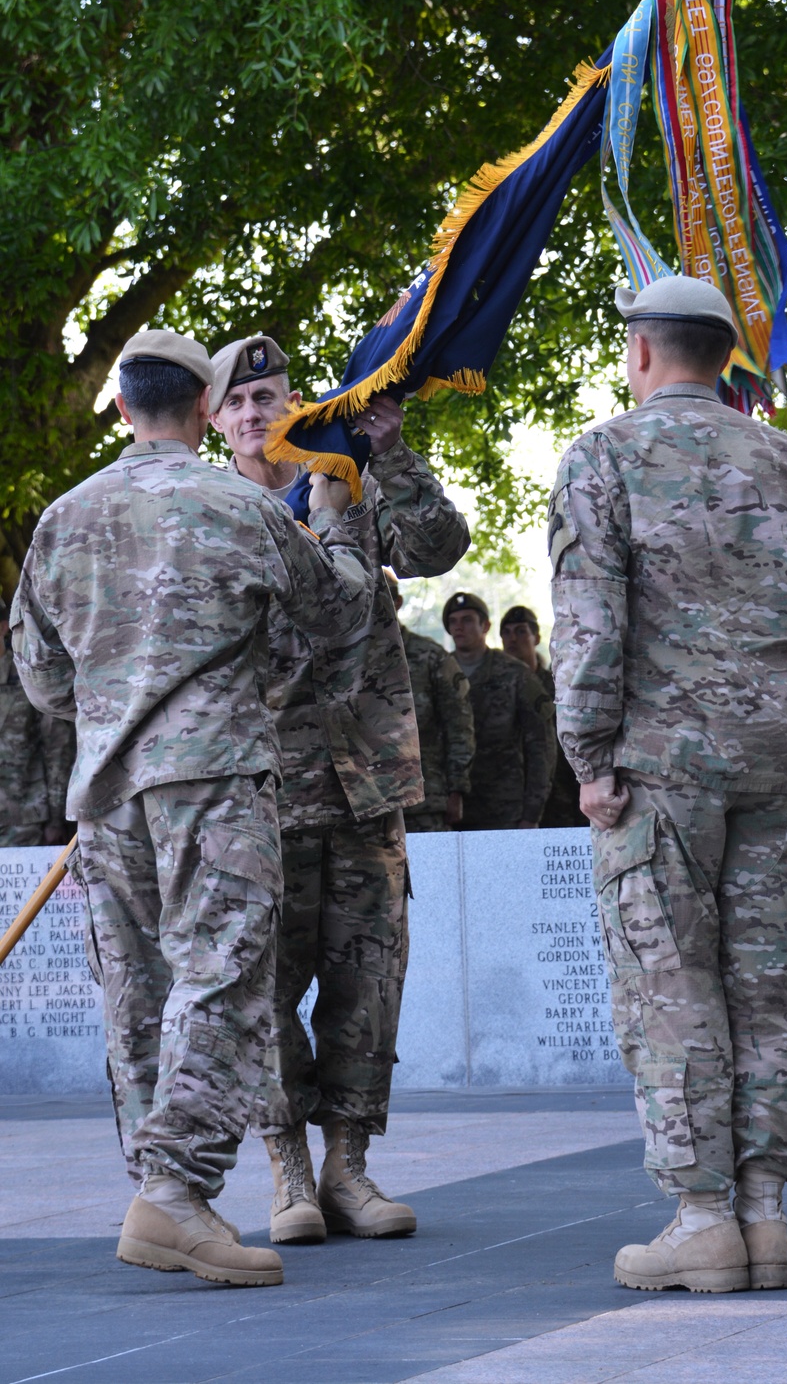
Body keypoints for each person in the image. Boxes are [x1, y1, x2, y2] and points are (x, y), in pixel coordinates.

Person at [11, 329, 373, 1288]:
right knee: (221, 982)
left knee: (137, 997)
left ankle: (162, 1190)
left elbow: (42, 678)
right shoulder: (238, 506)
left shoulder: (62, 519)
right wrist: (335, 524)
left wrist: (117, 699)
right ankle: (175, 1194)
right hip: (215, 784)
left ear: (125, 407)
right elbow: (338, 619)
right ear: (206, 403)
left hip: (106, 795)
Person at [549, 276, 787, 1294]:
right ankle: (766, 1217)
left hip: (657, 773)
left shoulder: (602, 458)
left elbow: (588, 628)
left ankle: (701, 1219)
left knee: (670, 987)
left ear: (641, 353)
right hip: (776, 766)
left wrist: (590, 761)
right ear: (725, 356)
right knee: (765, 988)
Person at [210, 335, 469, 1245]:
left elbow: (440, 546)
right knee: (264, 988)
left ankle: (349, 1167)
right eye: (236, 403)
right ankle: (286, 1172)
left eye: (270, 395)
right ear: (212, 420)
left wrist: (390, 447)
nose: (255, 413)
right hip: (258, 791)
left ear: (294, 402)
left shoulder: (346, 482)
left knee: (369, 983)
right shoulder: (205, 512)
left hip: (363, 781)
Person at [443, 592, 554, 829]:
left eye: (467, 620)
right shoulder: (439, 672)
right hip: (450, 806)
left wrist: (532, 814)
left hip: (504, 808)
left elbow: (541, 746)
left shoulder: (516, 673)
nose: (459, 627)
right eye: (453, 621)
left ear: (485, 625)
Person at [390, 577, 475, 832]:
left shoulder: (431, 657)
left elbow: (460, 726)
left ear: (397, 601)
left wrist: (457, 789)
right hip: (364, 805)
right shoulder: (347, 657)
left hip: (424, 801)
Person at [500, 604, 584, 827]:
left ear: (536, 637)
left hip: (564, 791)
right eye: (506, 633)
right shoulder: (498, 688)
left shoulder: (559, 684)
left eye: (520, 631)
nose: (512, 639)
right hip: (514, 797)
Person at [0, 595, 75, 846]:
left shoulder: (29, 677)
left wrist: (57, 820)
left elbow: (57, 749)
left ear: (3, 627)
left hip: (23, 822)